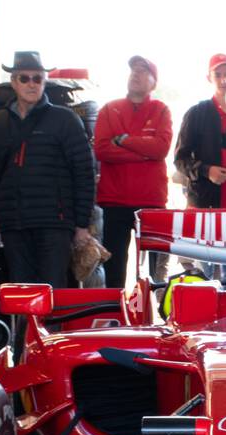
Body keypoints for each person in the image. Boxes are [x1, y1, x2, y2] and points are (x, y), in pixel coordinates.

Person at [0, 51, 94, 289]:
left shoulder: (66, 121)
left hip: (54, 224)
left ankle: (52, 329)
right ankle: (24, 329)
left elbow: (84, 172)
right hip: (12, 225)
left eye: (37, 79)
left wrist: (82, 225)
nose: (31, 84)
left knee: (54, 292)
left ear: (45, 82)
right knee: (21, 294)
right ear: (13, 82)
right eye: (24, 78)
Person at [173, 53, 226, 281]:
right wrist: (205, 170)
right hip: (203, 209)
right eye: (218, 75)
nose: (223, 80)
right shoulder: (196, 114)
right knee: (204, 278)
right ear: (209, 78)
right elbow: (180, 159)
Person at [94, 56, 172, 288]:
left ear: (154, 82)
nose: (135, 75)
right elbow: (102, 150)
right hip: (114, 202)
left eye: (142, 71)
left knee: (155, 275)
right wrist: (143, 152)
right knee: (114, 271)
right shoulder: (110, 109)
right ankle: (116, 317)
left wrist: (125, 140)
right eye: (133, 71)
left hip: (151, 203)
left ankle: (157, 318)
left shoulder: (161, 110)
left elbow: (161, 149)